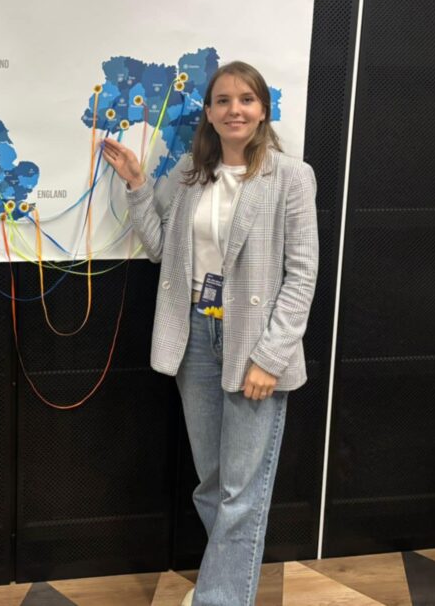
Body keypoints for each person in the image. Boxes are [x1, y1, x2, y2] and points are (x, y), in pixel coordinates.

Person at [102, 61, 318, 606]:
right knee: (214, 484)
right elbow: (160, 248)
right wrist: (137, 185)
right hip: (196, 337)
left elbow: (302, 275)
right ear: (209, 112)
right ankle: (225, 585)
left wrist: (271, 356)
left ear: (263, 110)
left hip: (254, 344)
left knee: (242, 490)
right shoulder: (190, 173)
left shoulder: (291, 177)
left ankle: (219, 599)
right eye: (223, 100)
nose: (234, 110)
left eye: (246, 99)